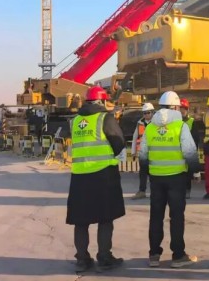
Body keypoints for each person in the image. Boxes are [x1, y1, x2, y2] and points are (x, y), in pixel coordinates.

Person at [66, 86, 125, 273]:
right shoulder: (105, 118)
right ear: (102, 101)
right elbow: (119, 142)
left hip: (79, 178)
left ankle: (82, 260)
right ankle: (105, 257)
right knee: (105, 218)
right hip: (103, 176)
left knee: (80, 221)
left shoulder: (75, 121)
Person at [141, 91, 200, 268]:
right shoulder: (180, 126)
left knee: (156, 216)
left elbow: (143, 155)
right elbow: (189, 151)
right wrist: (195, 172)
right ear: (175, 107)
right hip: (176, 178)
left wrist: (147, 175)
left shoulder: (150, 127)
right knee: (176, 217)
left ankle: (154, 255)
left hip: (156, 179)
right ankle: (178, 256)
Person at [180, 98, 203, 198]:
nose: (182, 111)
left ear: (187, 110)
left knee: (187, 172)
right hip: (177, 151)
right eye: (181, 108)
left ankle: (187, 191)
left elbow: (195, 139)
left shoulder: (192, 122)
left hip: (187, 151)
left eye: (184, 109)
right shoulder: (175, 122)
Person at [132, 103, 155, 199]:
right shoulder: (140, 123)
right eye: (144, 113)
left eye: (148, 112)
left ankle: (155, 192)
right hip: (143, 153)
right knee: (143, 173)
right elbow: (135, 137)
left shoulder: (156, 123)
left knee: (154, 173)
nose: (146, 115)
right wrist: (133, 151)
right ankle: (142, 191)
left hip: (153, 153)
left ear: (152, 112)